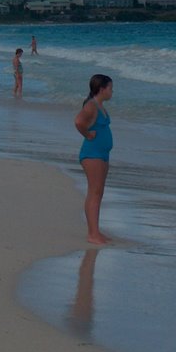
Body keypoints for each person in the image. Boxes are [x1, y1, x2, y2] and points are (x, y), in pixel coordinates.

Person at [74, 74, 114, 245]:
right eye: (111, 88)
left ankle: (95, 231)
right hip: (92, 154)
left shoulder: (100, 106)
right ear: (102, 89)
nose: (112, 92)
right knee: (94, 192)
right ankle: (92, 234)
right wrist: (88, 134)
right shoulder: (91, 106)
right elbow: (78, 122)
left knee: (98, 193)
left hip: (102, 154)